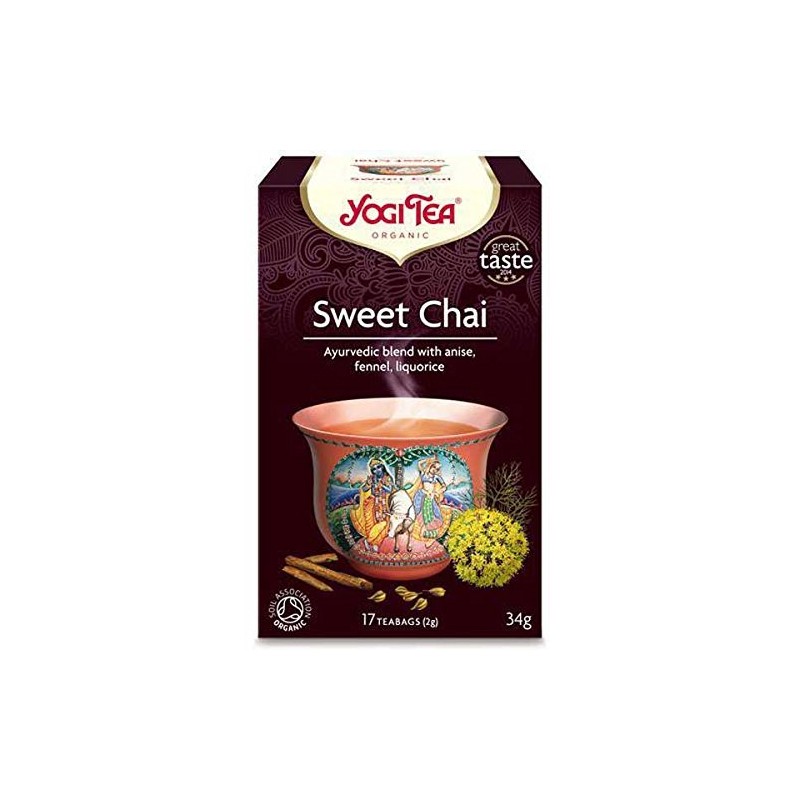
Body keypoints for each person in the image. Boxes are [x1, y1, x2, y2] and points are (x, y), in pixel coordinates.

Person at [349, 458, 394, 551]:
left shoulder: (387, 477)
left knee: (385, 524)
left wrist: (382, 485)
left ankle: (370, 541)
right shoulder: (372, 479)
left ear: (383, 467)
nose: (377, 470)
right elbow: (364, 489)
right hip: (373, 504)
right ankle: (374, 543)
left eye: (378, 467)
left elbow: (390, 490)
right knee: (372, 524)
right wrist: (368, 485)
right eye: (374, 469)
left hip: (384, 503)